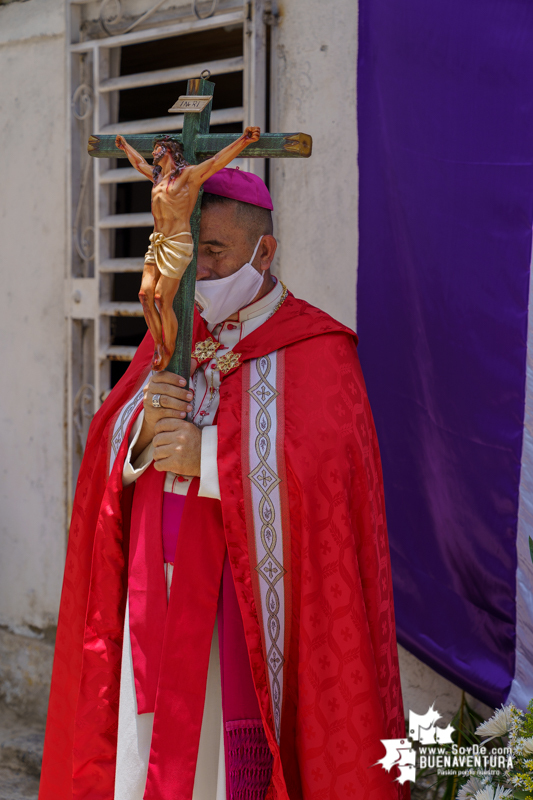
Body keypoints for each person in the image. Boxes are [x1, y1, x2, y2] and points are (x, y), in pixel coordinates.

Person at [39, 168, 409, 800]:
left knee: (218, 769)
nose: (201, 269)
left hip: (243, 612)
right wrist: (143, 436)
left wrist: (208, 460)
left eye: (216, 251)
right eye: (192, 249)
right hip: (154, 593)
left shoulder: (317, 347)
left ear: (263, 251)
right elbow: (111, 442)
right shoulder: (175, 333)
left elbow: (324, 479)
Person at [115, 127, 261, 370]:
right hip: (157, 241)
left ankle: (167, 349)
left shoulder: (189, 177)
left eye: (157, 150)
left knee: (162, 298)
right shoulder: (157, 177)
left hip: (177, 242)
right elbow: (138, 163)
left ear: (168, 151)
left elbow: (216, 161)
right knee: (145, 295)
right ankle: (158, 343)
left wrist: (244, 139)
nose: (153, 154)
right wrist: (124, 147)